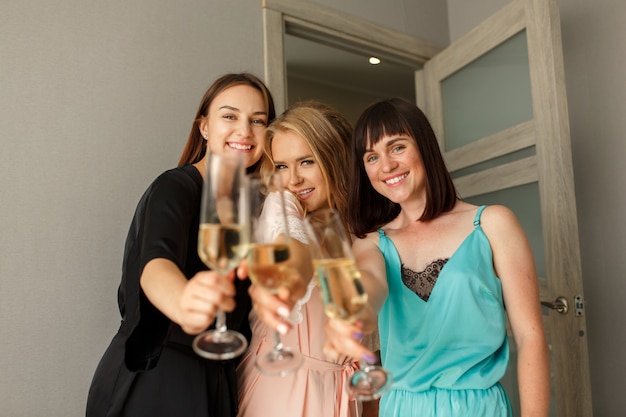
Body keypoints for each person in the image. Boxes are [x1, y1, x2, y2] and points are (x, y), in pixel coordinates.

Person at [314, 98, 550, 416]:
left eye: (397, 147)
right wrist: (355, 312)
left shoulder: (493, 223)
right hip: (400, 409)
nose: (386, 166)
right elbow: (369, 287)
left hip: (479, 408)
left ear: (424, 146)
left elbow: (530, 335)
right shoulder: (370, 243)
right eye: (372, 157)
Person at [86, 73, 275, 417]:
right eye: (230, 116)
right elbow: (155, 264)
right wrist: (182, 300)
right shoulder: (175, 187)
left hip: (218, 379)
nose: (245, 131)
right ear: (204, 127)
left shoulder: (255, 209)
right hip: (157, 374)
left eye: (258, 121)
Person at [236, 101, 365, 417]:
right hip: (282, 387)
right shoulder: (281, 204)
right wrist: (289, 273)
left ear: (334, 159)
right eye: (281, 166)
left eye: (306, 162)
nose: (292, 180)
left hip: (343, 392)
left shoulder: (362, 230)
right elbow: (291, 243)